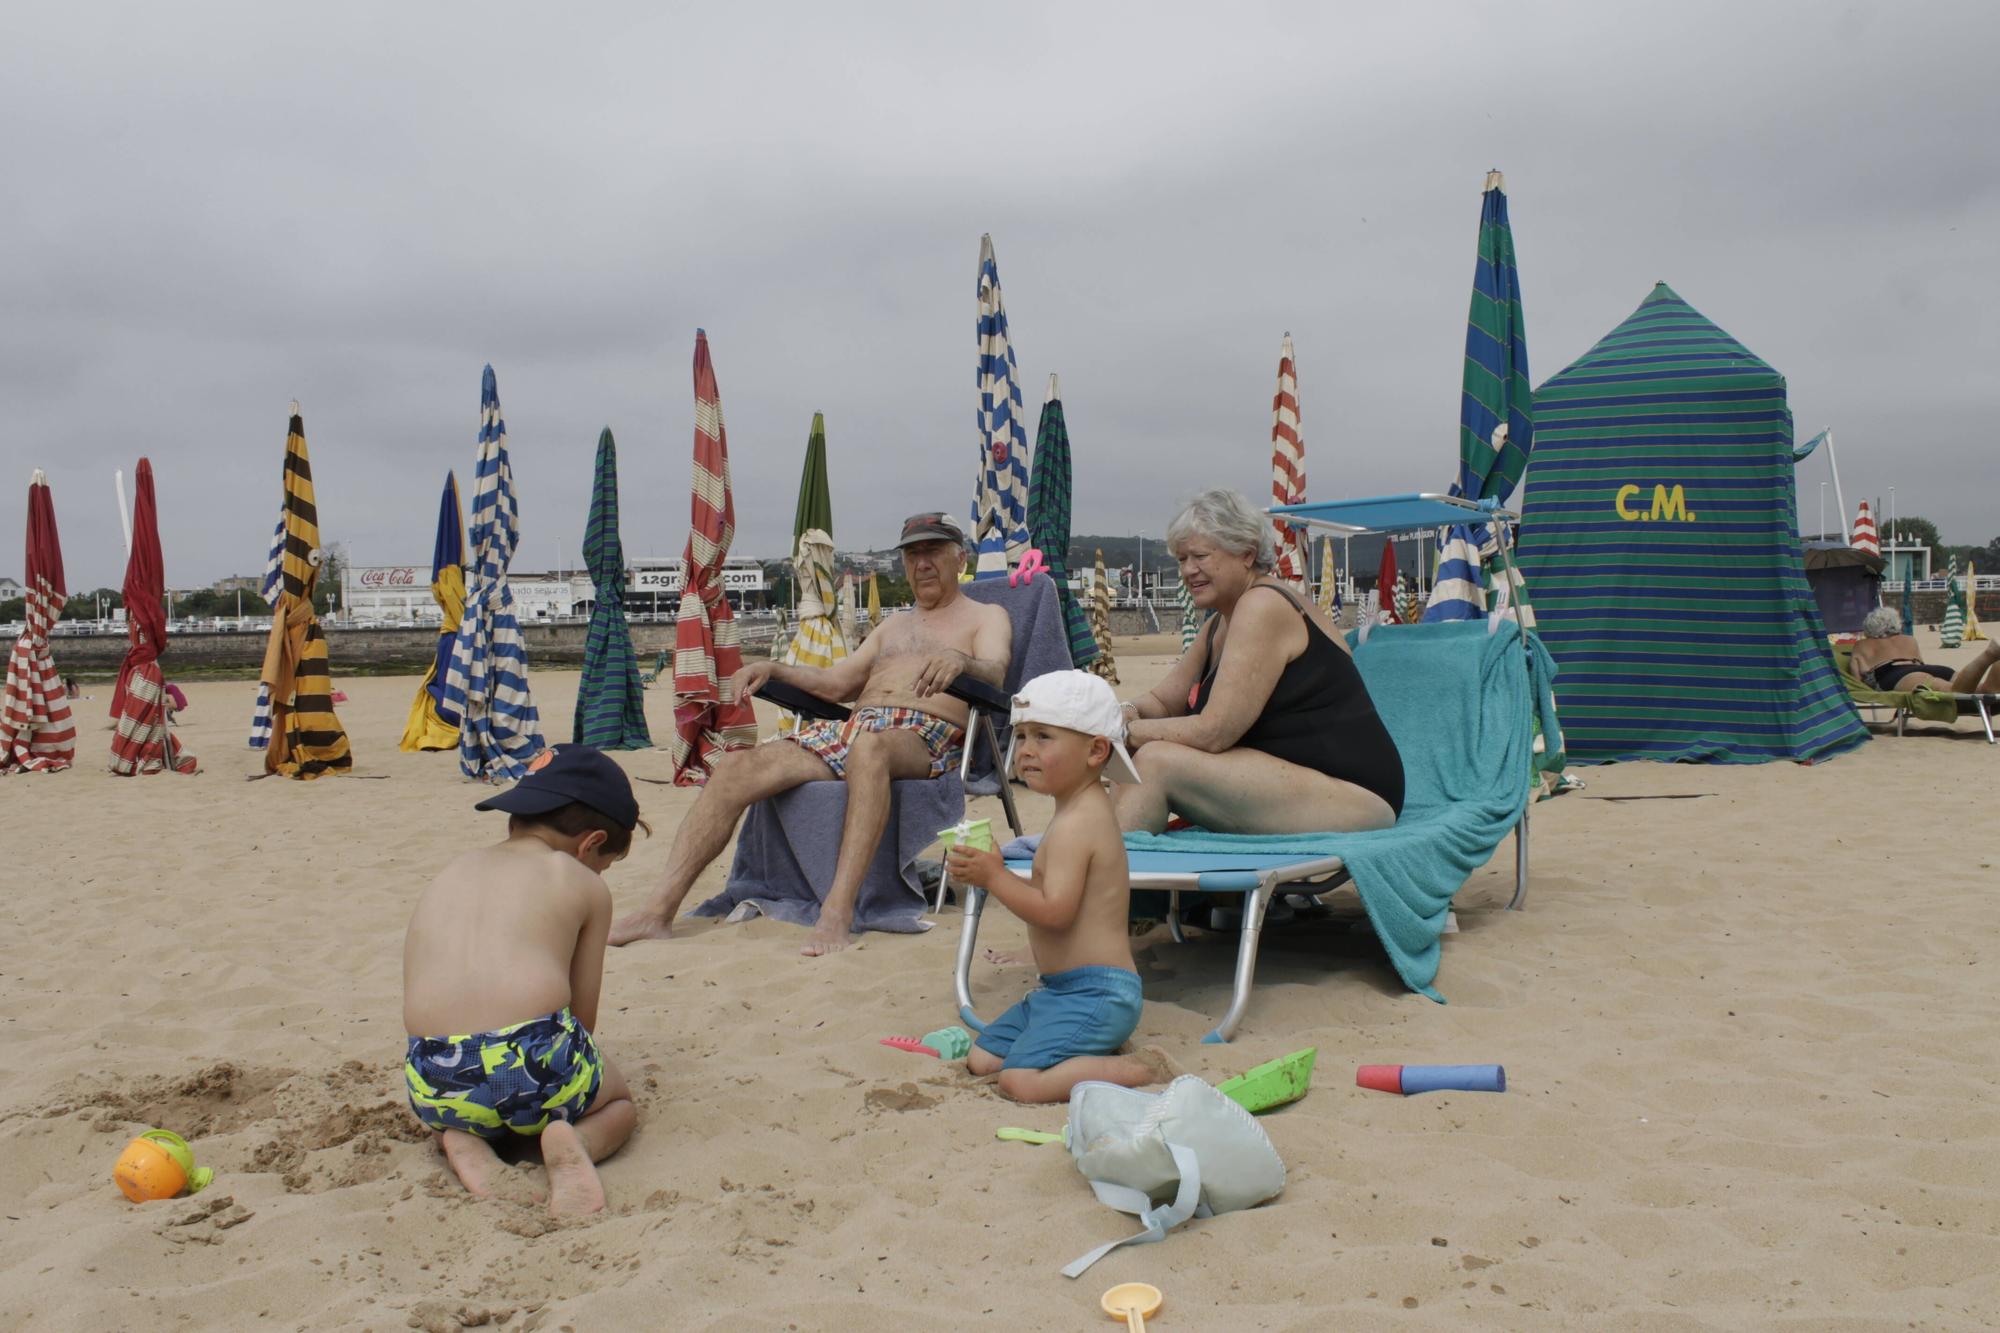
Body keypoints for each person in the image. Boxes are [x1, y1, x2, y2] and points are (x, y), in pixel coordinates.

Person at [611, 511, 1011, 957]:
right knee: (738, 765)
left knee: (869, 749)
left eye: (933, 551)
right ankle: (657, 911)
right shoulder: (893, 626)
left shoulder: (985, 616)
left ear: (960, 559)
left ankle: (836, 912)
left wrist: (961, 661)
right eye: (913, 554)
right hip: (855, 728)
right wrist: (774, 668)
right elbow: (838, 685)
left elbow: (994, 672)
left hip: (924, 735)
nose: (921, 563)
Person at [402, 745, 644, 1216]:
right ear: (590, 844)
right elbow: (581, 1020)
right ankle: (576, 1143)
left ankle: (461, 1138)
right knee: (620, 1106)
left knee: (457, 1108)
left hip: (432, 1070)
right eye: (604, 863)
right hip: (532, 1057)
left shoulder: (452, 871)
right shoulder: (579, 881)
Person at [1113, 488, 1403, 837]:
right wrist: (1123, 712)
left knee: (1153, 762)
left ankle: (1115, 886)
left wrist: (1127, 733)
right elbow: (1162, 701)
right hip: (1295, 778)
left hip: (1355, 793)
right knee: (1128, 758)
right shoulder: (1219, 623)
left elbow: (1214, 732)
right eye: (1181, 559)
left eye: (1200, 556)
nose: (1188, 570)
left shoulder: (1263, 606)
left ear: (1247, 554)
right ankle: (1121, 879)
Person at [944, 670, 1171, 1103]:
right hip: (1061, 992)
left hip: (1097, 994)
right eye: (1022, 736)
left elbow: (1055, 912)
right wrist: (991, 865)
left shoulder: (1080, 822)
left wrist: (994, 875)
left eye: (1044, 737)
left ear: (1096, 750)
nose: (1026, 751)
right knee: (984, 1060)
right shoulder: (1072, 812)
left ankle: (1134, 1068)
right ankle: (1087, 1051)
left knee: (1019, 1082)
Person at [1852, 606, 2000, 693]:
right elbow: (1920, 664)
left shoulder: (1862, 645)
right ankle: (1995, 664)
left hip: (1896, 674)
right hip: (1933, 668)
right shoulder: (1909, 640)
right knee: (1980, 690)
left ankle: (1988, 656)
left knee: (1953, 692)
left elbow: (1858, 680)